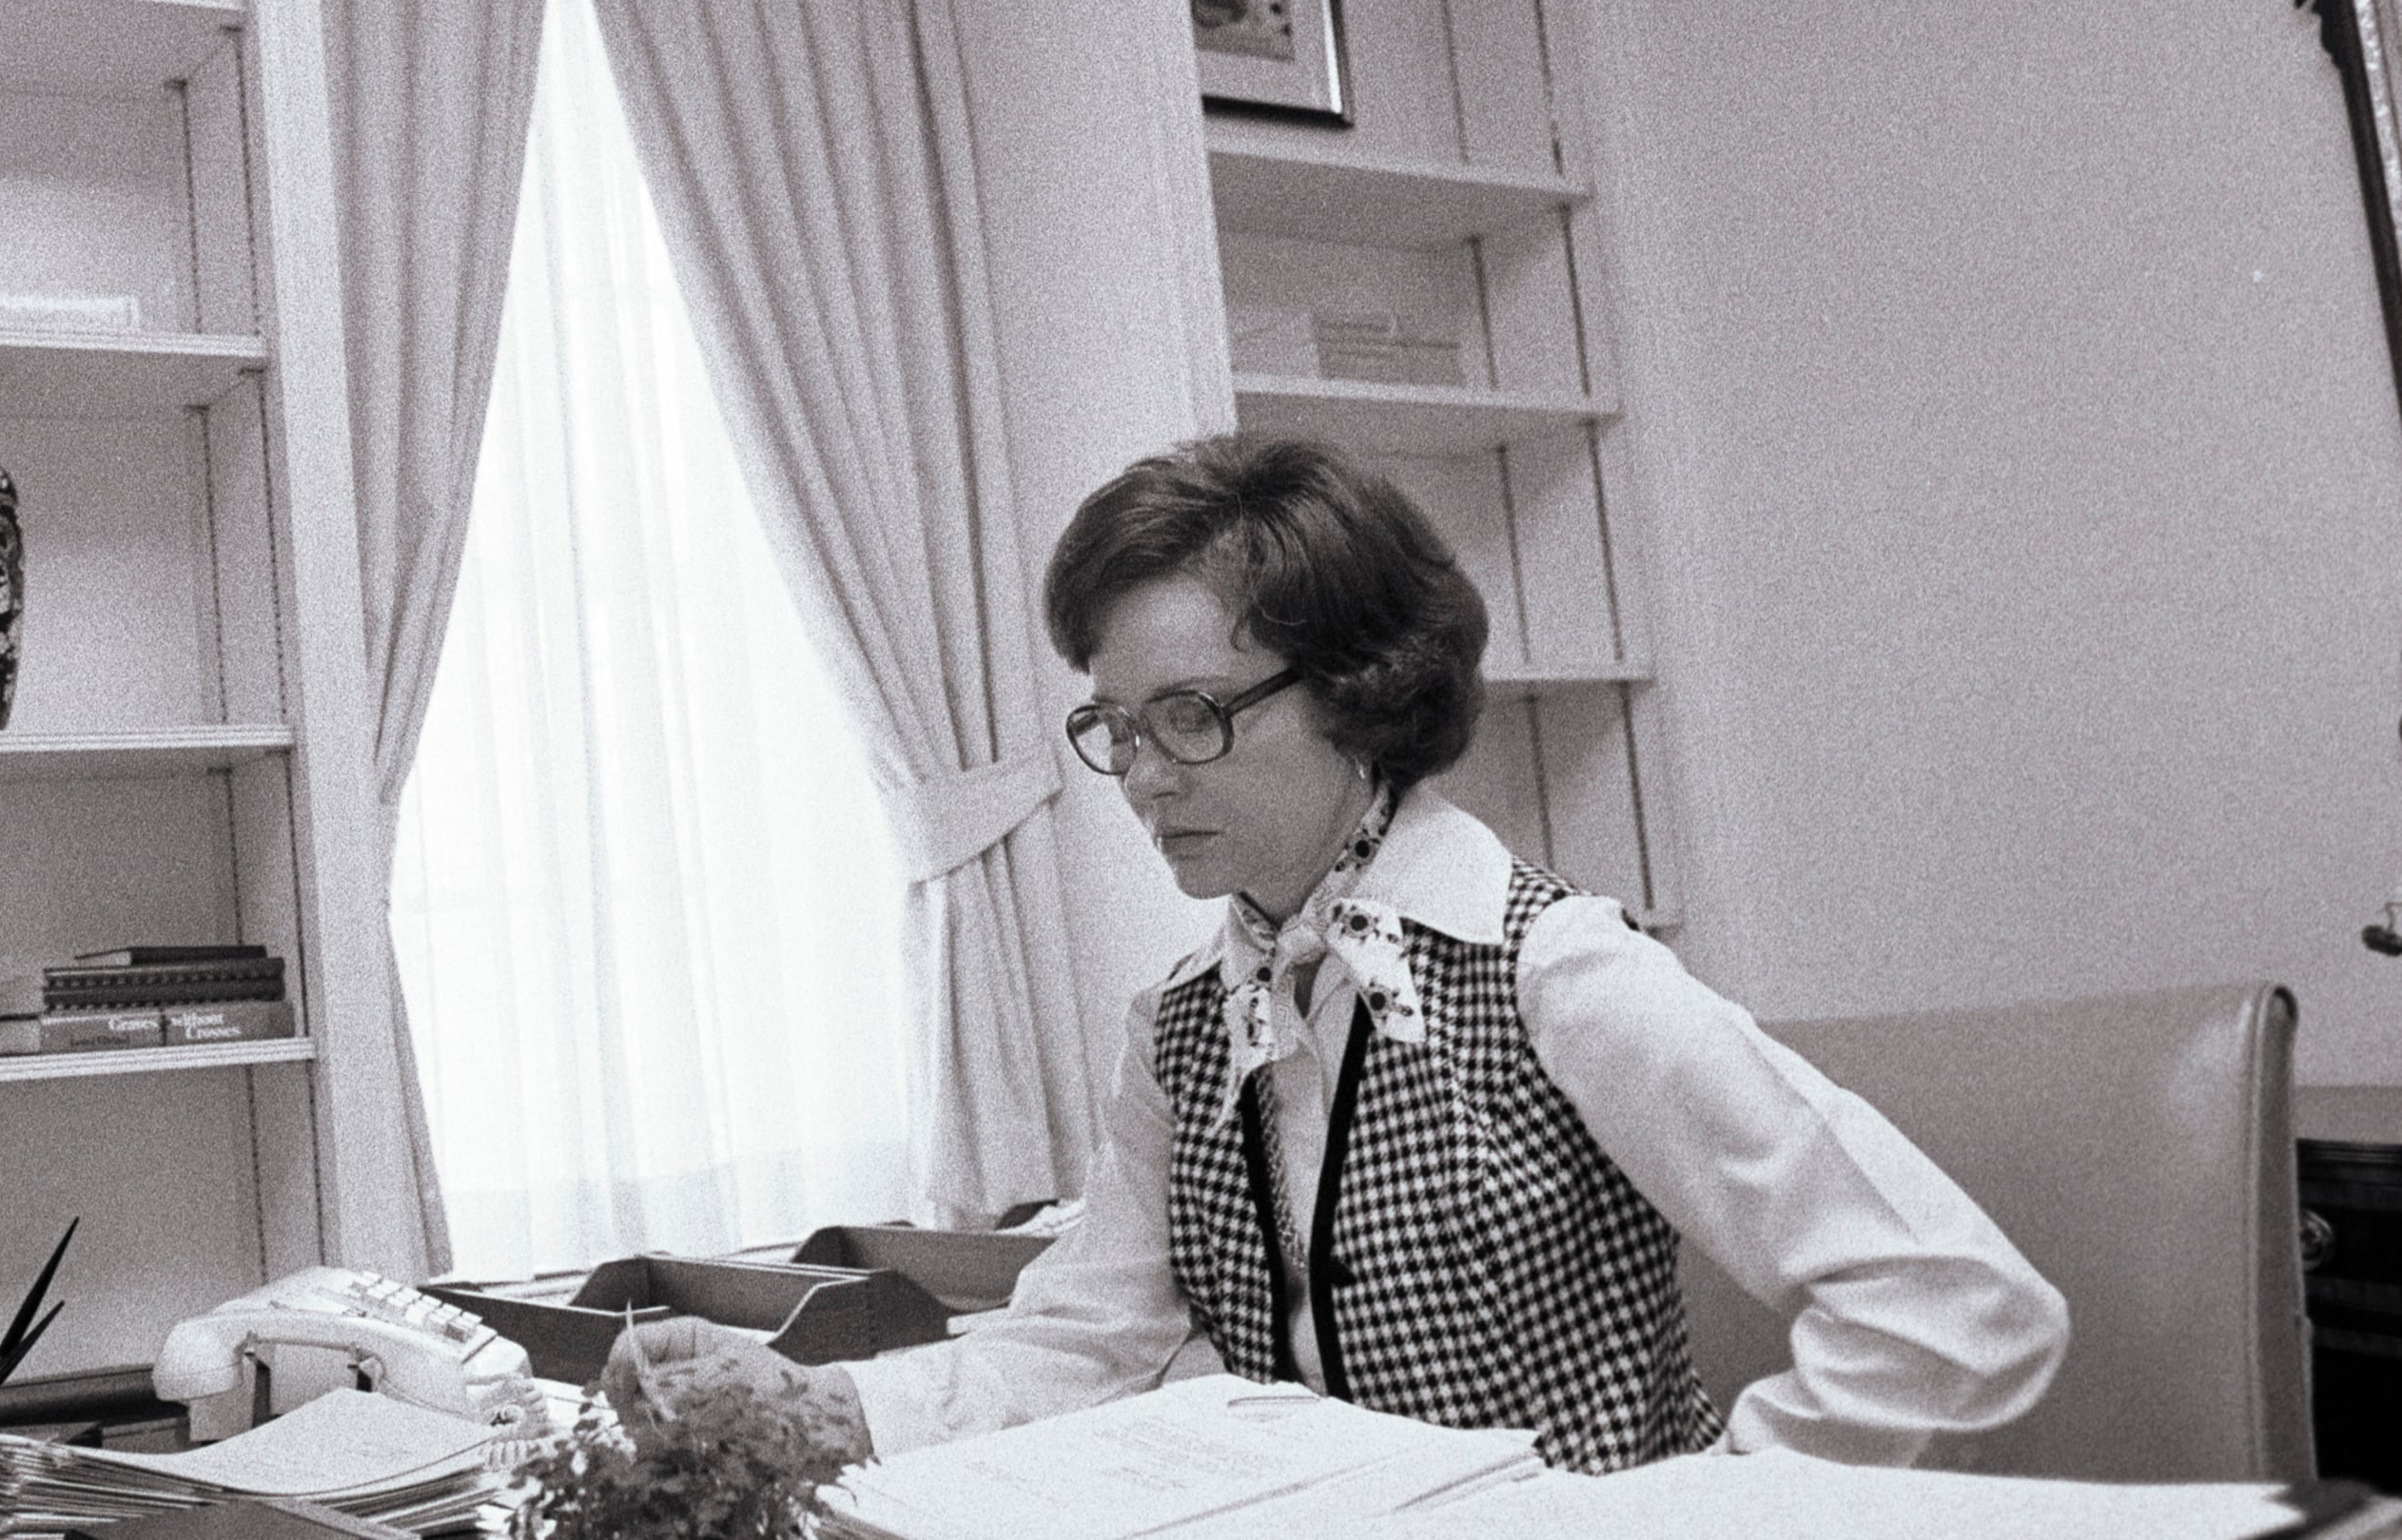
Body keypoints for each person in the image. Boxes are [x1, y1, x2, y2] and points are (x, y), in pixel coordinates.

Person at [606, 436, 2068, 1473]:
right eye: (1115, 725)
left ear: (1362, 695)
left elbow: (1956, 1305)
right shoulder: (1184, 1024)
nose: (1144, 777)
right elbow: (1086, 1343)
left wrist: (1712, 1515)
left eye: (1193, 715)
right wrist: (803, 1404)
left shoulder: (1561, 976)